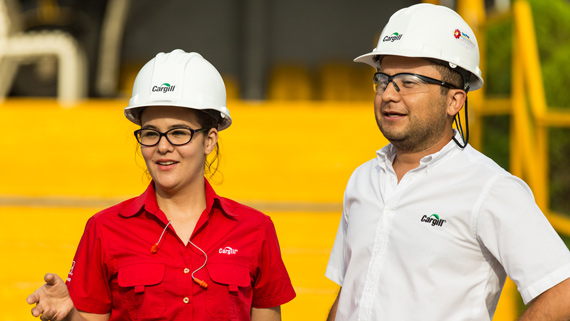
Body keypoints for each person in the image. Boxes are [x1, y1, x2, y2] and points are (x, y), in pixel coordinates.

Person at [325, 3, 570, 321]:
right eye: (383, 79)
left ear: (455, 100)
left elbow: (562, 290)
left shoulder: (490, 189)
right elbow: (351, 291)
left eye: (408, 82)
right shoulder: (363, 178)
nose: (388, 94)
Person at [26, 49, 296, 321]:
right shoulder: (103, 229)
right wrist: (69, 316)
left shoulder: (256, 229)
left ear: (210, 140)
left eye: (179, 133)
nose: (163, 146)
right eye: (151, 134)